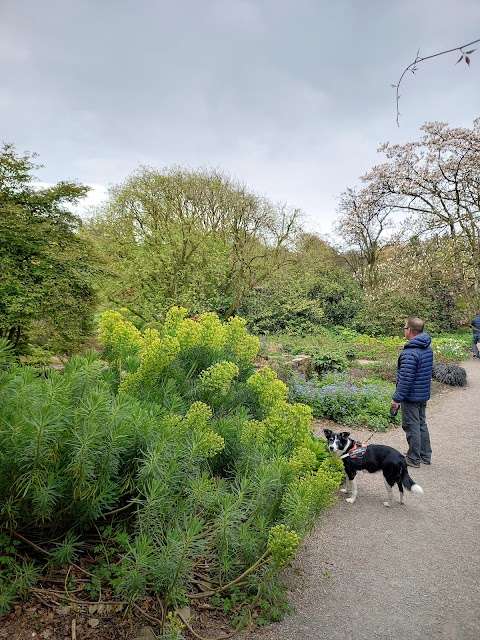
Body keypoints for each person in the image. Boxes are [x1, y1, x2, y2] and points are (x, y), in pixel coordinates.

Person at [391, 317, 434, 468]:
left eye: (404, 328)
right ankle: (425, 455)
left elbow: (405, 380)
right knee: (421, 423)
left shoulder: (410, 352)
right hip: (422, 394)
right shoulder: (427, 348)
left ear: (409, 330)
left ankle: (413, 458)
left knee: (411, 425)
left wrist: (396, 399)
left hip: (411, 395)